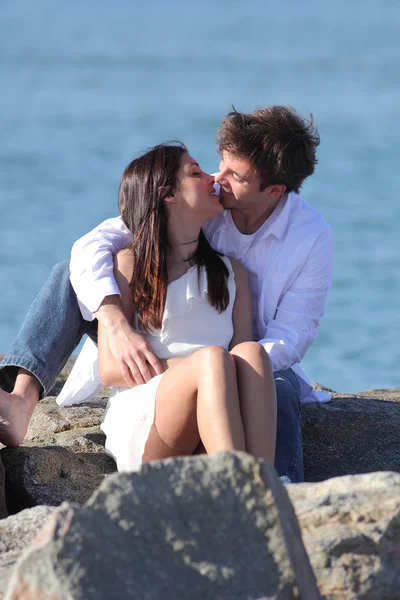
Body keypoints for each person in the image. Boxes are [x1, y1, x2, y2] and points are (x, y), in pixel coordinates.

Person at [0, 105, 335, 483]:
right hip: (161, 364)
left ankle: (275, 487)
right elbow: (93, 245)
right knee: (70, 273)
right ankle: (21, 397)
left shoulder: (309, 239)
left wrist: (229, 367)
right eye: (216, 165)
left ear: (274, 190)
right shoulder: (203, 205)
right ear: (168, 194)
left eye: (234, 175)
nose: (216, 178)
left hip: (248, 356)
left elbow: (293, 335)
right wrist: (115, 324)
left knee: (276, 387)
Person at [95, 142, 276, 471]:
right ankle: (236, 487)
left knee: (252, 353)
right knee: (213, 360)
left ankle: (263, 485)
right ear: (168, 195)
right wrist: (198, 368)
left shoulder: (233, 274)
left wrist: (214, 372)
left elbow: (242, 371)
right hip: (151, 417)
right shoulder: (129, 265)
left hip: (216, 415)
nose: (213, 179)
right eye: (196, 172)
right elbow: (109, 369)